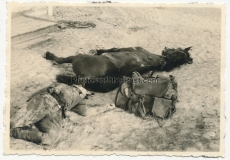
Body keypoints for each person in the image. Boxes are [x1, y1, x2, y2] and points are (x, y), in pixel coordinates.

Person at [10, 83, 90, 145]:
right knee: (14, 122)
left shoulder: (76, 97)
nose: (75, 90)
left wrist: (80, 99)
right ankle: (19, 126)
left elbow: (84, 112)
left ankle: (17, 132)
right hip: (45, 101)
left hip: (56, 111)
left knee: (52, 138)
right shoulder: (64, 86)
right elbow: (83, 112)